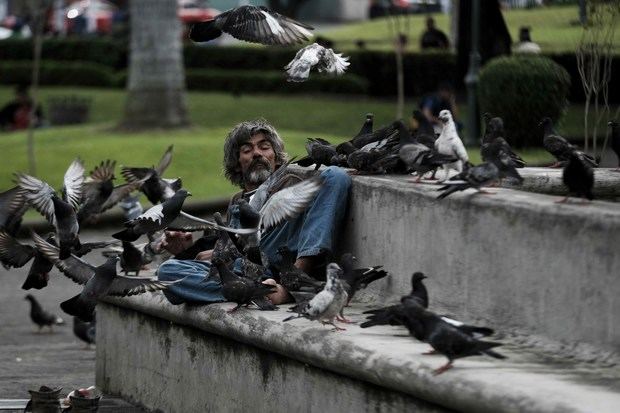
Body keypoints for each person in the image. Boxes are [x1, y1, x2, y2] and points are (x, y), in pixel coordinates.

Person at [157, 119, 352, 306]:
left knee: (335, 175)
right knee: (169, 271)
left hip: (277, 269)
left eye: (264, 147)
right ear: (236, 163)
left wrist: (290, 283)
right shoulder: (236, 202)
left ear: (276, 157)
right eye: (247, 150)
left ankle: (286, 290)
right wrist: (186, 251)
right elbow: (224, 254)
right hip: (242, 274)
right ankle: (253, 291)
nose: (257, 153)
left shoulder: (291, 186)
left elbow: (333, 180)